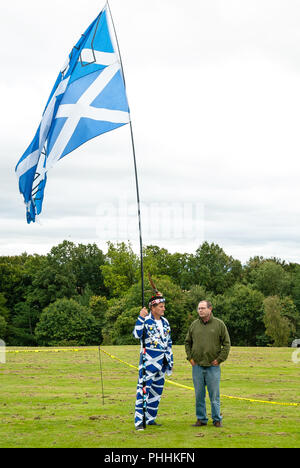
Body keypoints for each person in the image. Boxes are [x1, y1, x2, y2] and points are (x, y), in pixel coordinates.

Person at [185, 300, 230, 428]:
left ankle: (216, 419)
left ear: (210, 309)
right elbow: (187, 342)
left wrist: (220, 359)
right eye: (199, 308)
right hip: (197, 366)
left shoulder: (219, 324)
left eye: (203, 308)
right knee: (199, 395)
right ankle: (201, 419)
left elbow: (227, 344)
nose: (200, 310)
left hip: (213, 367)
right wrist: (190, 358)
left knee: (214, 395)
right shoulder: (194, 325)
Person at [133, 293, 173, 430]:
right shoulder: (145, 320)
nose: (163, 309)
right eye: (161, 306)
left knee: (156, 392)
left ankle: (150, 418)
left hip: (162, 364)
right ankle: (139, 421)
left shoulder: (166, 322)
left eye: (164, 306)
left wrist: (170, 361)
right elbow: (136, 334)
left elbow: (169, 342)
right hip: (148, 363)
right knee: (143, 391)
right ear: (153, 307)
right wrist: (140, 317)